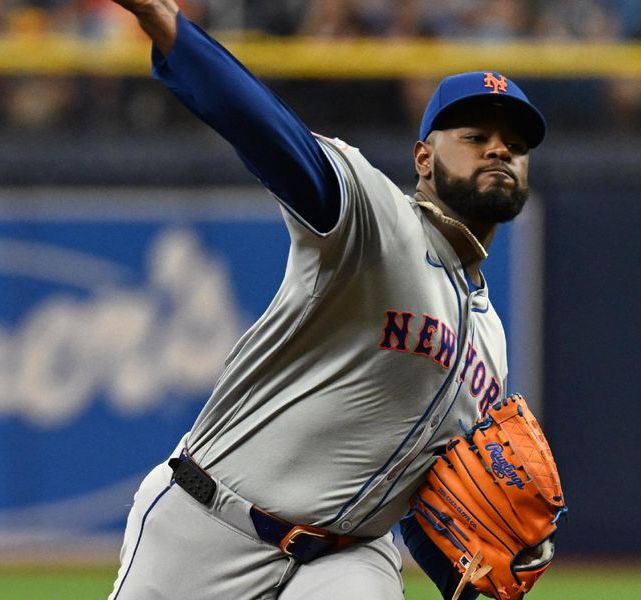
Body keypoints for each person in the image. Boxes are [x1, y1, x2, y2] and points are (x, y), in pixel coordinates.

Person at [106, 1, 547, 599]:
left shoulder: (491, 339)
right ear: (424, 158)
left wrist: (471, 575)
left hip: (345, 560)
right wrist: (174, 34)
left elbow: (429, 495)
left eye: (515, 145)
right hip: (209, 524)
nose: (499, 150)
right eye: (475, 137)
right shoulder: (374, 220)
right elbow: (270, 133)